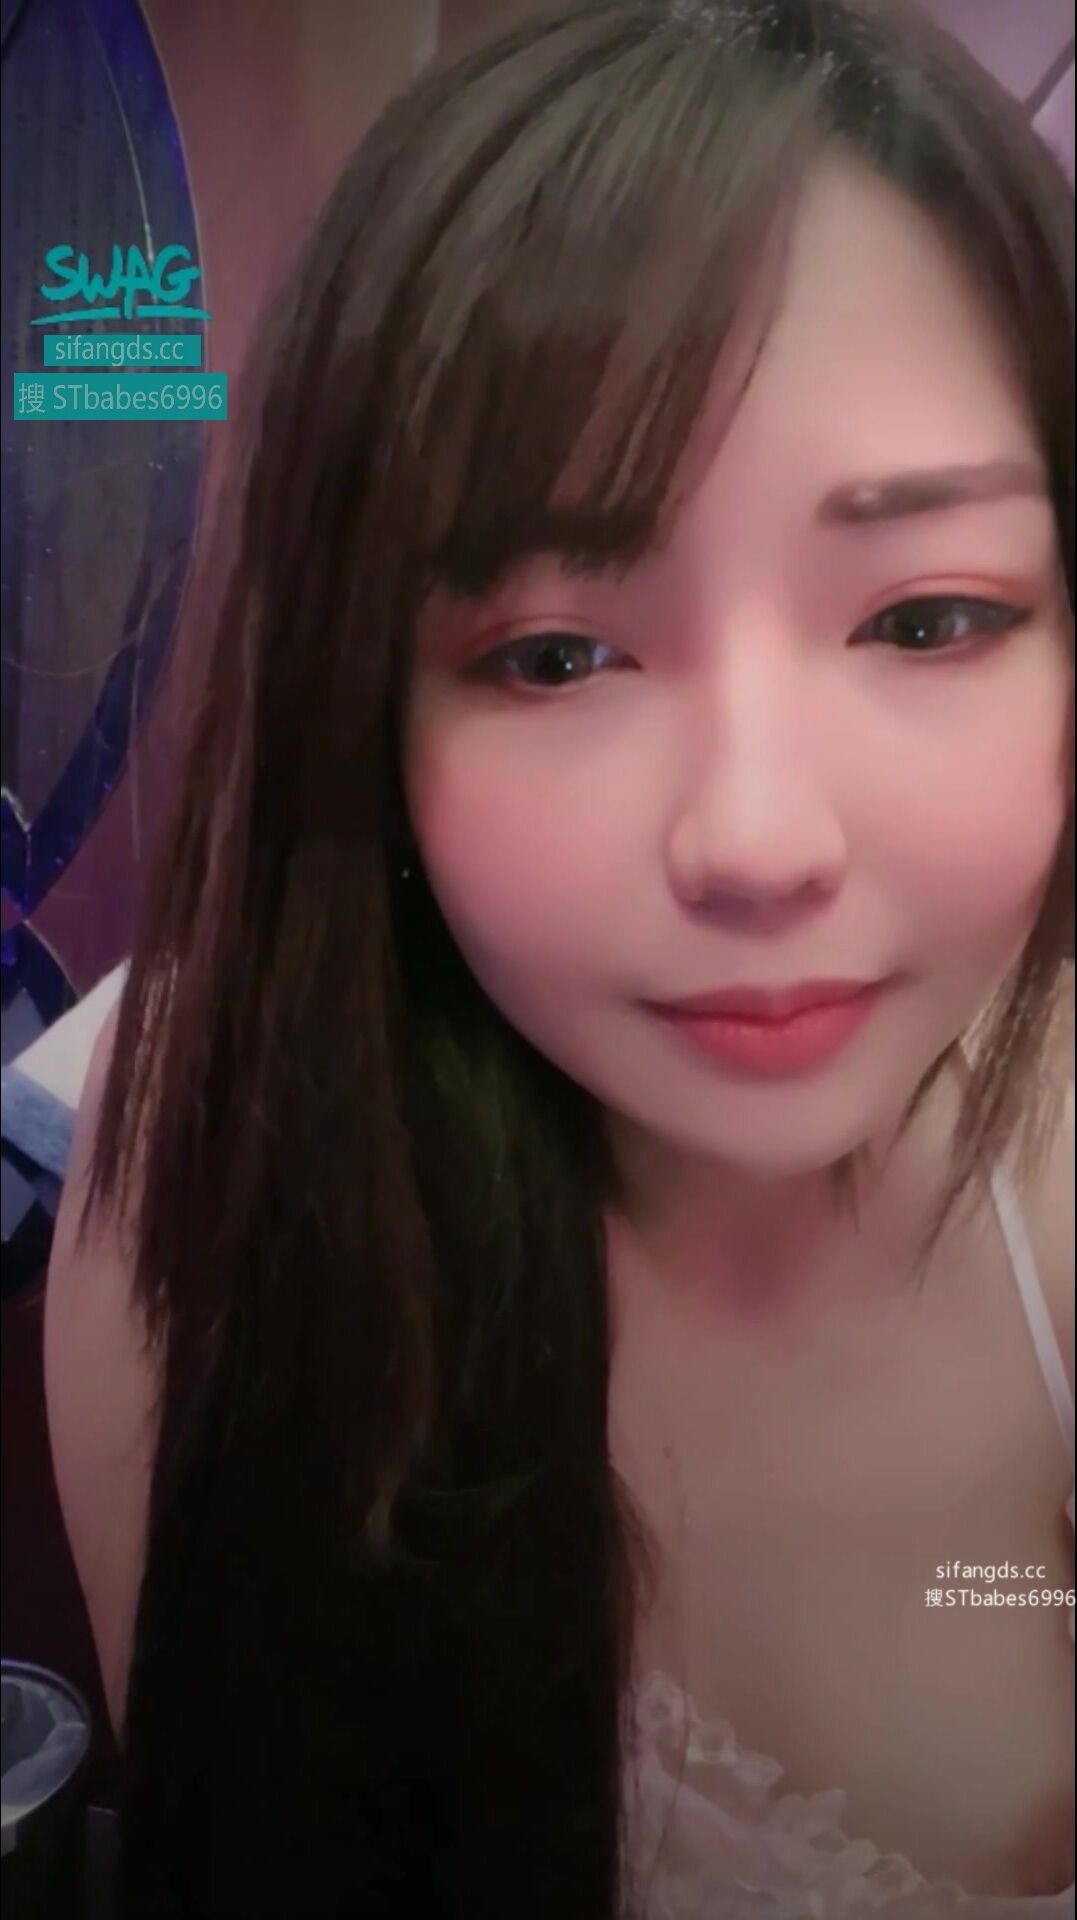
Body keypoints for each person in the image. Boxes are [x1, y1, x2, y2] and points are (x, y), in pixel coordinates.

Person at [42, 2, 1074, 1914]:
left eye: (926, 619)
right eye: (553, 655)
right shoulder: (205, 1149)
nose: (757, 839)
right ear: (366, 711)